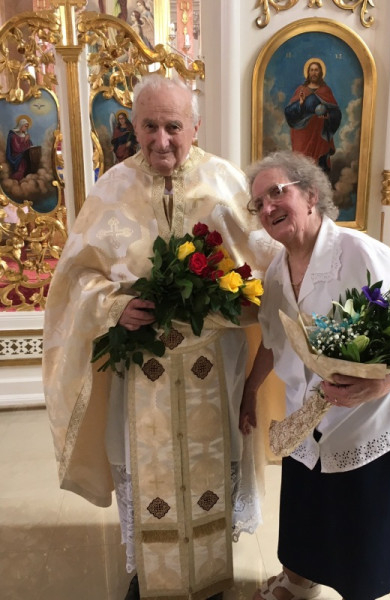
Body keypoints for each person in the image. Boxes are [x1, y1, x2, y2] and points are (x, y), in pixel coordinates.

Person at [43, 74, 278, 600]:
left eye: (173, 126)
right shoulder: (111, 189)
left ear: (195, 126)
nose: (162, 140)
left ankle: (212, 571)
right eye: (149, 126)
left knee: (215, 460)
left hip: (213, 361)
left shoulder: (225, 182)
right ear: (134, 127)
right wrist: (115, 305)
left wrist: (237, 300)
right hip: (140, 367)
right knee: (146, 465)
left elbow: (267, 264)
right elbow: (74, 279)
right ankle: (150, 572)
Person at [239, 151, 390, 600]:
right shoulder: (277, 271)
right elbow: (272, 340)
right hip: (309, 414)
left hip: (373, 416)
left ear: (311, 196)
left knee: (362, 524)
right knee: (307, 507)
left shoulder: (360, 252)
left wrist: (385, 382)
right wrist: (250, 390)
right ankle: (298, 581)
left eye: (277, 193)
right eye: (258, 203)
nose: (267, 207)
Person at [284, 60, 341, 174]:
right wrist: (300, 103)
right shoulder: (301, 90)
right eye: (311, 70)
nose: (314, 73)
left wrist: (327, 115)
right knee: (302, 165)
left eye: (316, 70)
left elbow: (336, 112)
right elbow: (289, 112)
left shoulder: (325, 90)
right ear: (308, 72)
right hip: (303, 133)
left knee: (319, 166)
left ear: (320, 72)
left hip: (319, 133)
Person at [6, 116, 33, 181]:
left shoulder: (25, 135)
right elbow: (17, 149)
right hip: (16, 156)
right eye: (25, 126)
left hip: (24, 155)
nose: (26, 128)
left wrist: (28, 141)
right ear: (21, 125)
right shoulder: (13, 135)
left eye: (27, 127)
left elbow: (30, 147)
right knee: (23, 162)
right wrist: (25, 140)